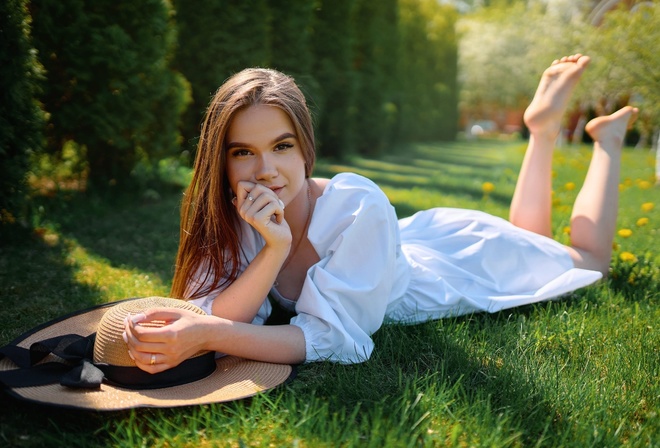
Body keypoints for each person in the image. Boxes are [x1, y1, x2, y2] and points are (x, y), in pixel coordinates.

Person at [123, 54, 638, 371]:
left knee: (587, 260)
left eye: (281, 147)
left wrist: (210, 336)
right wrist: (273, 249)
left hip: (459, 265)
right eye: (243, 152)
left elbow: (336, 340)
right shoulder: (234, 212)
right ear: (223, 160)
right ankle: (542, 130)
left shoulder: (355, 204)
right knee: (533, 237)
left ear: (305, 148)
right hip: (410, 242)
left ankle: (606, 142)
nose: (265, 171)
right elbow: (217, 308)